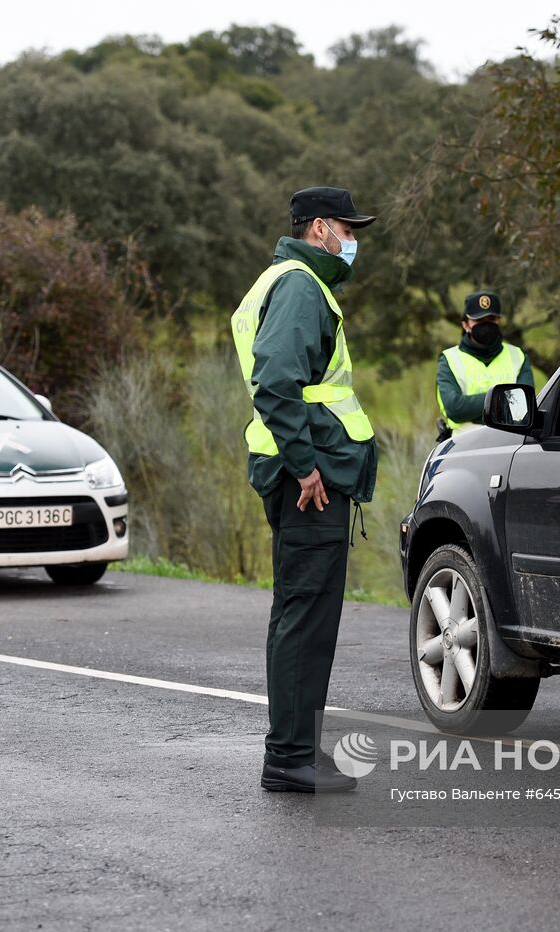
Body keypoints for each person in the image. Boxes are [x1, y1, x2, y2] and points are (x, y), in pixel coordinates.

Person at [230, 186, 378, 793]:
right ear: (319, 228)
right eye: (347, 228)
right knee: (305, 617)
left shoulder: (295, 281)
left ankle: (295, 752)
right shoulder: (297, 285)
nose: (353, 240)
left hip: (306, 471)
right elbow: (275, 380)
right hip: (307, 480)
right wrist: (305, 465)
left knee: (306, 614)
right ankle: (290, 757)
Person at [436, 291, 535, 438]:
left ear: (499, 321)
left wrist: (473, 407)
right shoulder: (449, 359)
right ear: (466, 325)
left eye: (491, 319)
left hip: (511, 442)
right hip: (464, 444)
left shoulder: (518, 356)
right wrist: (503, 401)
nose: (486, 325)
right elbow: (455, 409)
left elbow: (524, 408)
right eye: (479, 320)